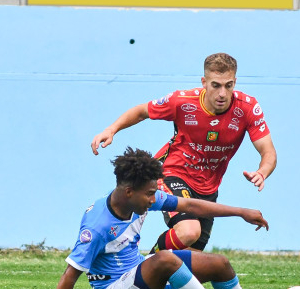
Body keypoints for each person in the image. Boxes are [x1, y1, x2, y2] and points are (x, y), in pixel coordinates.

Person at [43, 147, 282, 289]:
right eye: (149, 194)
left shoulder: (140, 198)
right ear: (129, 192)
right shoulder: (97, 226)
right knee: (164, 259)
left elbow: (190, 204)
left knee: (219, 264)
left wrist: (241, 212)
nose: (153, 199)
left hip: (140, 276)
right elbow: (69, 275)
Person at [91, 53, 277, 255]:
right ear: (204, 82)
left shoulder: (248, 108)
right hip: (173, 173)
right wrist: (111, 129)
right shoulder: (182, 101)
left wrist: (263, 171)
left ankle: (154, 276)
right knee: (189, 231)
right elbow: (142, 111)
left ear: (235, 82)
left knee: (191, 257)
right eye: (216, 85)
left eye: (228, 85)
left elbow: (268, 151)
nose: (222, 93)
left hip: (208, 187)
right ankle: (146, 266)